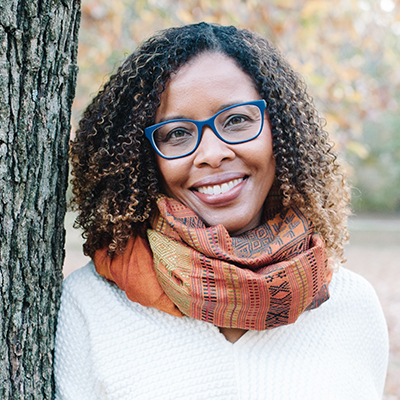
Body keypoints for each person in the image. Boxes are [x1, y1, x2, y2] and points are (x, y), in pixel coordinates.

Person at [54, 23, 388, 399]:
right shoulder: (92, 305)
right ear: (142, 158)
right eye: (177, 133)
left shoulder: (351, 307)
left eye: (237, 120)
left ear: (279, 129)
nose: (213, 153)